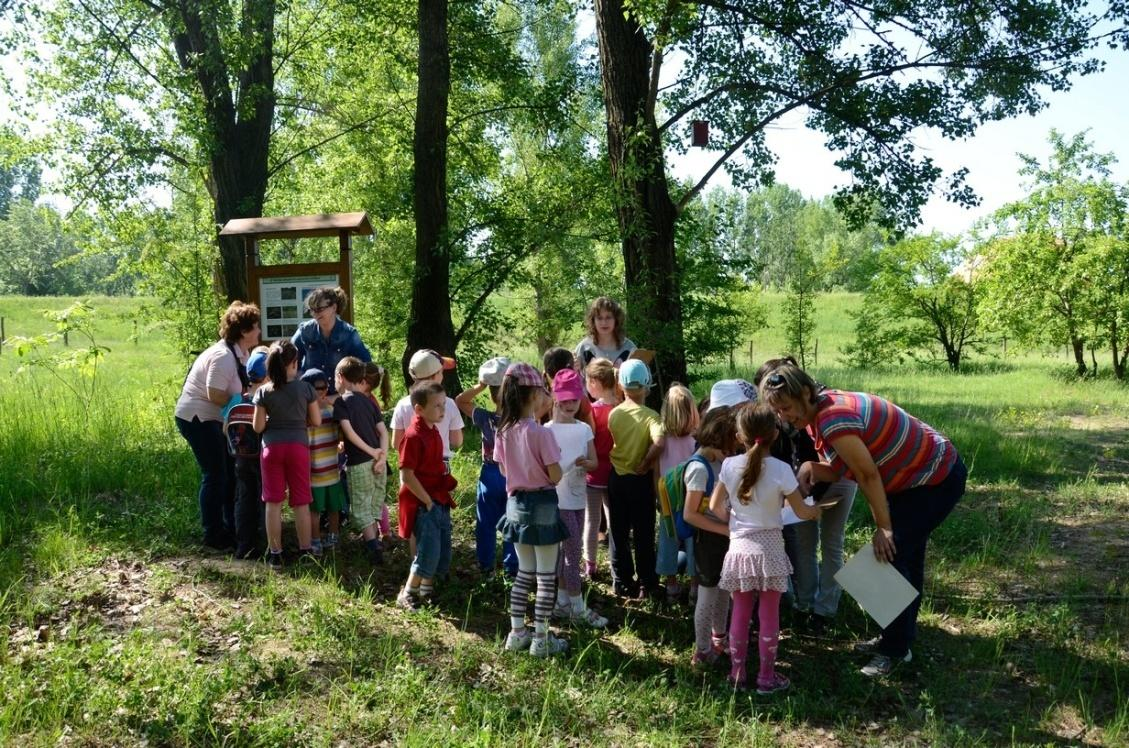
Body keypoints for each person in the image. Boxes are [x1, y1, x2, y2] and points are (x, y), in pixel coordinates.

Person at [759, 363, 967, 677]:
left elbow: (868, 474)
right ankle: (898, 640)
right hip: (911, 482)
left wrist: (884, 528)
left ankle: (894, 651)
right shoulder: (820, 411)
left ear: (805, 393)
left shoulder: (832, 418)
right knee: (902, 558)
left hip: (934, 479)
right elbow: (849, 467)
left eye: (786, 408)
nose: (783, 417)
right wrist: (814, 469)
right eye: (777, 412)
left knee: (885, 558)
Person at [711, 404, 821, 693]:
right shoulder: (783, 470)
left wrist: (733, 521)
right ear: (774, 433)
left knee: (740, 612)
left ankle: (737, 674)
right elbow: (800, 510)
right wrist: (816, 510)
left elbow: (713, 506)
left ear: (739, 435)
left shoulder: (728, 466)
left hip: (739, 549)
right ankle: (766, 677)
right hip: (770, 550)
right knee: (769, 615)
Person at [753, 357, 858, 634]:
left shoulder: (821, 410)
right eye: (772, 408)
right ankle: (805, 604)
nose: (778, 414)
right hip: (801, 488)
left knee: (832, 543)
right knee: (804, 543)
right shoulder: (777, 418)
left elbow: (840, 463)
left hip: (839, 480)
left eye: (780, 407)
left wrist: (808, 483)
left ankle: (826, 610)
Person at [494, 362, 570, 657]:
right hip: (542, 506)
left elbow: (503, 470)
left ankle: (516, 632)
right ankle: (541, 638)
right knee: (545, 575)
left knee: (524, 572)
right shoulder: (541, 434)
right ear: (535, 394)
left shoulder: (503, 431)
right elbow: (554, 475)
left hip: (515, 505)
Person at [175, 300, 261, 550]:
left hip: (217, 419)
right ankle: (212, 533)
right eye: (255, 327)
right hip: (198, 419)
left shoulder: (240, 353)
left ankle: (229, 526)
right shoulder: (223, 356)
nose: (259, 331)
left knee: (228, 473)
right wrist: (241, 401)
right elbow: (214, 393)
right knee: (215, 475)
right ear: (244, 331)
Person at [546, 369, 607, 628]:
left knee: (568, 552)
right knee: (572, 553)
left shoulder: (583, 429)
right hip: (557, 500)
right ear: (555, 398)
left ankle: (562, 603)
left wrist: (585, 463)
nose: (570, 404)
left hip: (578, 497)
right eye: (565, 399)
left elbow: (594, 462)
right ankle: (578, 607)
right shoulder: (546, 431)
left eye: (574, 399)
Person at [251, 340, 321, 570]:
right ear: (293, 363)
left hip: (271, 448)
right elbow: (317, 420)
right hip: (298, 447)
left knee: (273, 502)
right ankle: (305, 550)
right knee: (301, 501)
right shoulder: (306, 389)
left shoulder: (263, 391)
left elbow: (258, 427)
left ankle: (275, 553)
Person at [681, 405, 740, 668]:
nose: (732, 454)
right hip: (709, 542)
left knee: (724, 592)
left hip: (725, 538)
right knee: (707, 595)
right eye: (728, 448)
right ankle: (702, 649)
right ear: (716, 439)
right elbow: (689, 514)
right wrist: (724, 530)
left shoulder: (719, 462)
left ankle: (720, 638)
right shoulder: (699, 468)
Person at [396, 382, 459, 609]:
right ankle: (408, 592)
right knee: (428, 549)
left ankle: (426, 590)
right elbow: (407, 475)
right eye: (436, 406)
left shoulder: (433, 431)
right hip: (422, 501)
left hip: (437, 498)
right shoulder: (413, 436)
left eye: (444, 405)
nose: (442, 410)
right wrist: (427, 501)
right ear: (419, 409)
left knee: (441, 547)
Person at [606, 359, 665, 598]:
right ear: (647, 386)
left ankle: (621, 580)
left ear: (620, 386)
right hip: (640, 481)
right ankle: (647, 582)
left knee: (618, 531)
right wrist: (646, 462)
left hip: (616, 479)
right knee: (643, 532)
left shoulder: (614, 414)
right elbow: (660, 442)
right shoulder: (652, 417)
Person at [455, 356, 517, 577]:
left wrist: (480, 385)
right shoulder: (521, 419)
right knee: (513, 521)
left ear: (491, 394)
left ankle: (485, 565)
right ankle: (512, 568)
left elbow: (460, 401)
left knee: (486, 523)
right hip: (514, 475)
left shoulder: (484, 418)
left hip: (490, 473)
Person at [333, 356, 389, 565]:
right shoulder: (369, 401)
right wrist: (382, 456)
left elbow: (349, 433)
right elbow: (383, 432)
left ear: (341, 377)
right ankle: (374, 541)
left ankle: (373, 549)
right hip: (378, 463)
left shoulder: (342, 402)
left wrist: (373, 453)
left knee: (360, 508)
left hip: (359, 463)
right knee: (374, 504)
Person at [222, 346, 269, 560]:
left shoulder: (237, 399)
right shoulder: (266, 399)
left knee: (243, 499)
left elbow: (225, 429)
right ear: (268, 374)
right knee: (265, 499)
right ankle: (267, 544)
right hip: (262, 457)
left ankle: (244, 545)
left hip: (240, 457)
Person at [656, 384, 699, 601]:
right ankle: (694, 587)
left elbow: (656, 469)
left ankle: (671, 586)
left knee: (667, 539)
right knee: (693, 541)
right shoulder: (695, 440)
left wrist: (656, 493)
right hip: (692, 497)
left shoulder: (661, 439)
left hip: (667, 497)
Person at [291, 286, 371, 392]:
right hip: (309, 397)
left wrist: (347, 392)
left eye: (319, 309)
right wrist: (300, 383)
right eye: (312, 310)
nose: (315, 314)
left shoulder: (349, 334)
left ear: (334, 307)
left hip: (340, 398)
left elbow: (365, 365)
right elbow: (289, 359)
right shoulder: (304, 331)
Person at [301, 368, 346, 556]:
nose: (322, 392)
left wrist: (341, 442)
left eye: (324, 387)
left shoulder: (331, 411)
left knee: (334, 507)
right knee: (315, 511)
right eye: (317, 388)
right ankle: (316, 539)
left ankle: (333, 537)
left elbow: (341, 434)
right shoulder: (304, 416)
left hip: (332, 470)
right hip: (313, 472)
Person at [583, 357, 619, 579]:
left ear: (595, 382)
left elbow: (588, 439)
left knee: (592, 520)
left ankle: (590, 565)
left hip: (594, 472)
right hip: (616, 471)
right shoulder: (622, 407)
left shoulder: (592, 411)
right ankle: (617, 563)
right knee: (614, 519)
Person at [574, 297, 636, 369]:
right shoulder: (584, 347)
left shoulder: (629, 348)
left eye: (608, 317)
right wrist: (574, 369)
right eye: (599, 318)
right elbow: (572, 377)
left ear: (616, 319)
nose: (604, 322)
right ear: (593, 321)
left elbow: (646, 378)